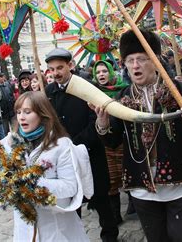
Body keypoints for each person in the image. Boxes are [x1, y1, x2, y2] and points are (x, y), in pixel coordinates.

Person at [94, 30, 182, 242]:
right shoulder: (123, 97)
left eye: (141, 59)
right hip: (142, 185)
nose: (135, 66)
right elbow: (112, 141)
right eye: (130, 61)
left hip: (178, 180)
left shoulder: (176, 89)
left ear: (155, 61)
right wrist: (103, 125)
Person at [0, 91, 91, 241]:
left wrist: (31, 182)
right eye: (18, 112)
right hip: (25, 227)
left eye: (27, 112)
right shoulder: (11, 143)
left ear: (43, 114)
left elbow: (70, 187)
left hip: (56, 226)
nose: (21, 117)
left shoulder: (61, 145)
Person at [45, 48, 119, 242]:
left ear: (71, 65)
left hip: (90, 153)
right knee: (70, 201)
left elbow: (95, 123)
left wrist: (73, 144)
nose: (56, 73)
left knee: (101, 199)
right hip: (64, 160)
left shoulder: (87, 87)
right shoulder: (49, 92)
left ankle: (110, 237)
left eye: (60, 67)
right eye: (51, 69)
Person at [92, 60, 129, 224]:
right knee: (112, 179)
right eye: (98, 72)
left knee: (127, 174)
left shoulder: (123, 90)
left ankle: (134, 205)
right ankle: (116, 215)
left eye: (104, 71)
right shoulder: (92, 93)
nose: (101, 74)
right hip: (104, 142)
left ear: (111, 73)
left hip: (123, 140)